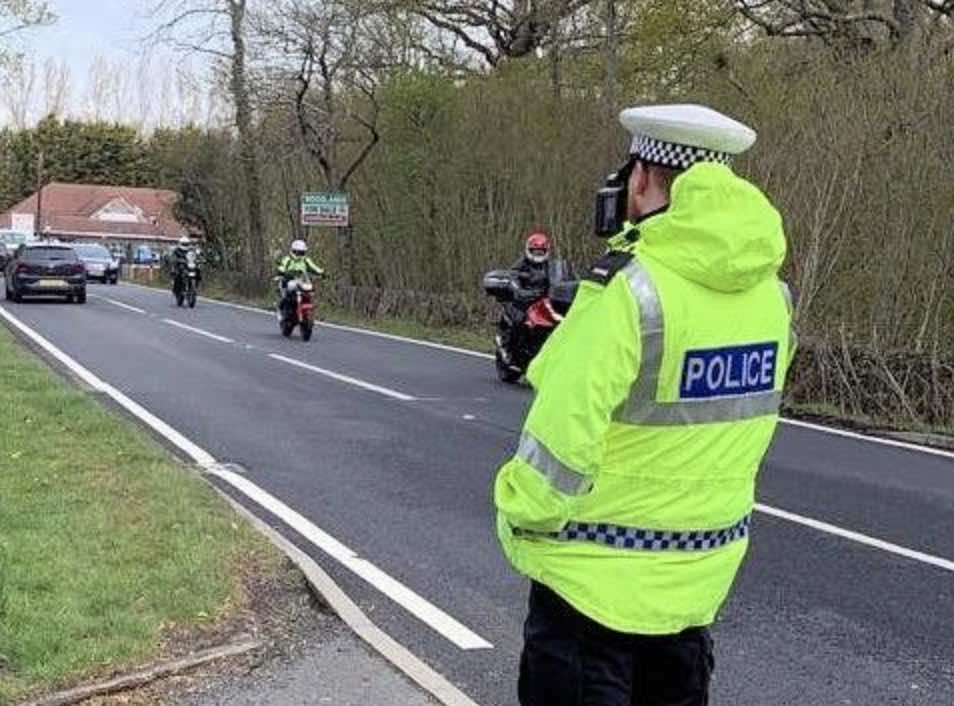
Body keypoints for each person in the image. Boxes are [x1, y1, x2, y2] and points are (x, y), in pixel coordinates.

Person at [494, 104, 796, 706]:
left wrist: (518, 512)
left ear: (643, 177)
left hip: (589, 595)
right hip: (695, 589)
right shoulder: (773, 297)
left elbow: (562, 432)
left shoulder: (628, 289)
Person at [277, 239, 324, 313]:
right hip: (289, 280)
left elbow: (313, 267)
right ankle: (285, 308)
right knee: (289, 290)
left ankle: (308, 309)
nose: (299, 254)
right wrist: (282, 271)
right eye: (298, 252)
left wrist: (321, 272)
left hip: (302, 280)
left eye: (301, 252)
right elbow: (282, 266)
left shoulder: (306, 260)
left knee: (310, 290)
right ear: (293, 251)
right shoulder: (288, 259)